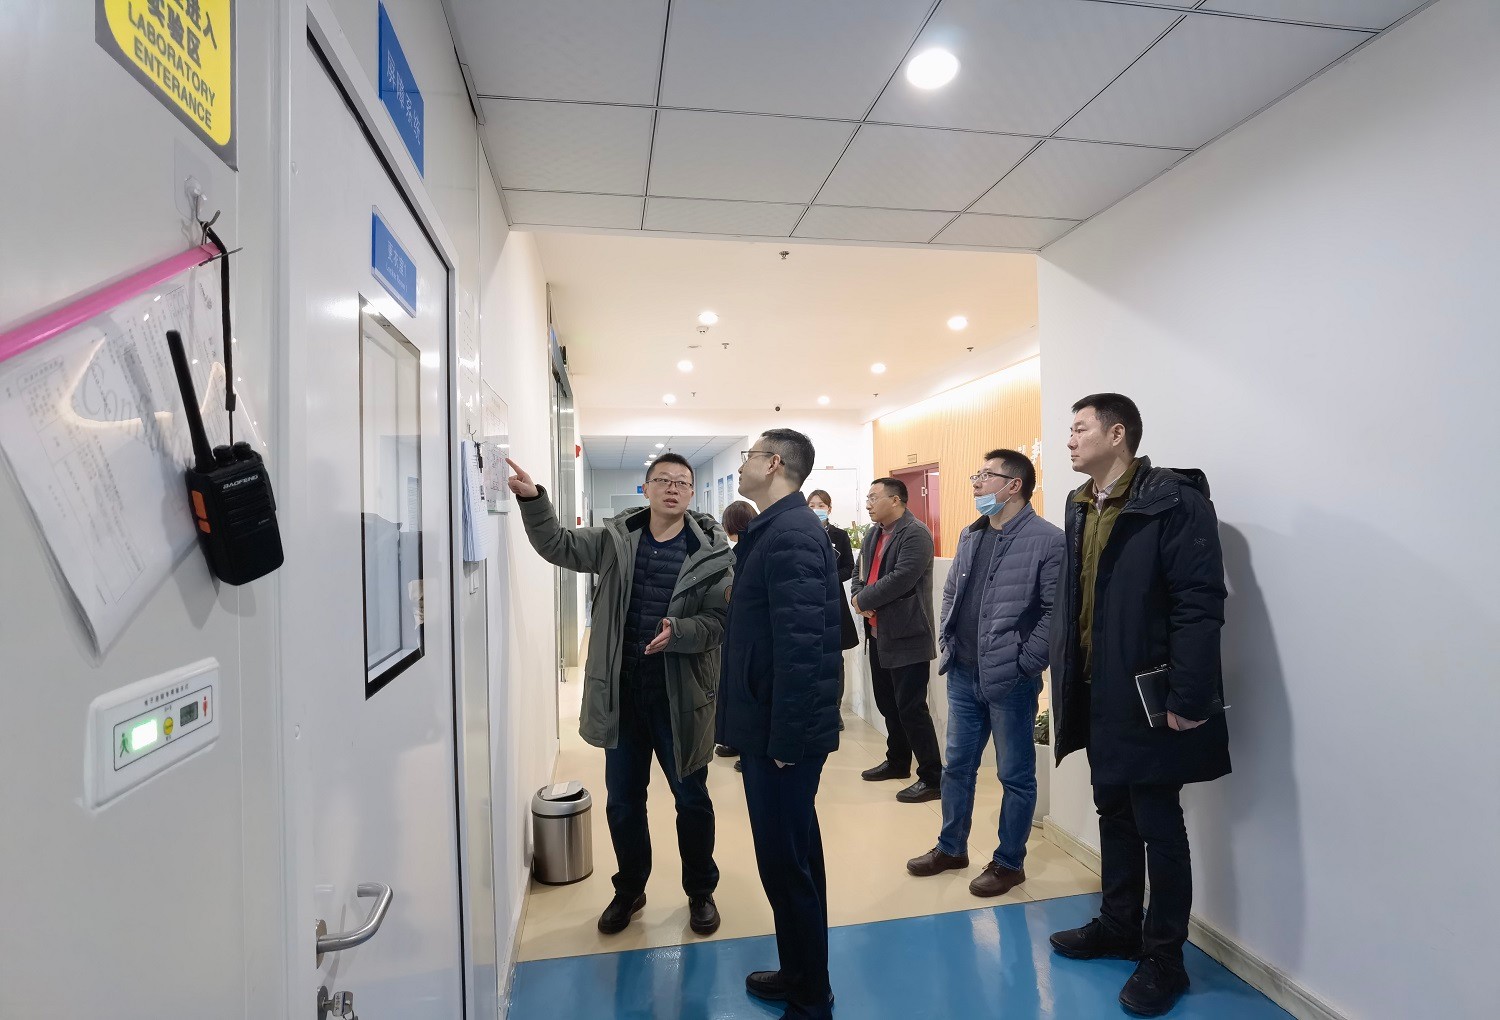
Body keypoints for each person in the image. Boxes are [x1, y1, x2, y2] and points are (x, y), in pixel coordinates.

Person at [1045, 394, 1230, 1018]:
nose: (1069, 440)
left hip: (1149, 691)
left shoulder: (1173, 501)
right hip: (1096, 688)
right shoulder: (1080, 503)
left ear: (1117, 433)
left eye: (1080, 429)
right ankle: (1118, 924)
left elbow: (1199, 603)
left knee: (1158, 820)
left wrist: (1189, 695)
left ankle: (1164, 957)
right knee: (1113, 809)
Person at [507, 453, 735, 938]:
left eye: (682, 482)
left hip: (681, 700)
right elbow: (558, 544)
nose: (672, 488)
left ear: (692, 493)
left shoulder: (712, 554)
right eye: (663, 480)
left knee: (692, 800)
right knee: (624, 802)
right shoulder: (615, 540)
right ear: (645, 489)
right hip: (624, 697)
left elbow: (719, 624)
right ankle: (630, 888)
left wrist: (680, 632)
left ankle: (700, 891)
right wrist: (534, 500)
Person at [719, 429, 842, 1020]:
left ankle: (810, 996)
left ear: (772, 464)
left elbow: (802, 646)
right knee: (794, 857)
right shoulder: (778, 529)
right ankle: (800, 973)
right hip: (769, 724)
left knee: (786, 865)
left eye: (748, 457)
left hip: (782, 735)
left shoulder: (790, 533)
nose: (742, 466)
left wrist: (787, 740)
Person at [906, 449, 1063, 896]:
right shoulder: (972, 533)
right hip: (963, 671)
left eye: (986, 475)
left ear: (1014, 485)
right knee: (957, 767)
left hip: (1010, 679)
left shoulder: (1048, 540)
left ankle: (1009, 862)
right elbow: (951, 593)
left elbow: (1054, 614)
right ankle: (951, 848)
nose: (976, 482)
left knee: (1015, 775)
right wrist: (948, 640)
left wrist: (1024, 663)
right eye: (977, 474)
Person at [849, 477, 942, 803]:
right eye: (867, 497)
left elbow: (901, 579)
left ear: (896, 500)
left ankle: (933, 777)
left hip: (908, 634)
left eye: (874, 497)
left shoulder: (915, 533)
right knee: (888, 704)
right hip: (879, 633)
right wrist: (858, 596)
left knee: (912, 708)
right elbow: (859, 573)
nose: (868, 504)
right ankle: (898, 761)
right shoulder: (874, 533)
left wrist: (863, 599)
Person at [805, 489, 860, 730]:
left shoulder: (840, 535)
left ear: (829, 508)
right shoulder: (800, 533)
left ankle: (834, 710)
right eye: (812, 505)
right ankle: (812, 709)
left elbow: (849, 566)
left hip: (833, 602)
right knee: (809, 658)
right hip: (806, 603)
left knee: (835, 659)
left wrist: (830, 578)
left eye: (821, 505)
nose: (816, 509)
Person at [715, 499, 759, 770]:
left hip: (747, 633)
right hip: (740, 631)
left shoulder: (745, 551)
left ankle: (747, 749)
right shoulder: (747, 547)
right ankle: (735, 741)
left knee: (744, 691)